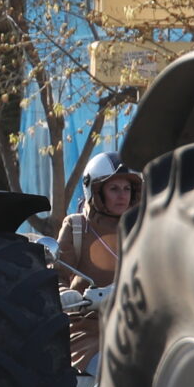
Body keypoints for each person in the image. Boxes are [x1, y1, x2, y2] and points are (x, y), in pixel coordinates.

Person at [58, 152, 140, 368]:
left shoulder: (143, 228)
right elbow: (56, 274)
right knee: (110, 368)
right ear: (96, 191)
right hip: (90, 332)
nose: (122, 195)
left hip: (139, 329)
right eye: (114, 189)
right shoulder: (77, 227)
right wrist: (64, 293)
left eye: (127, 189)